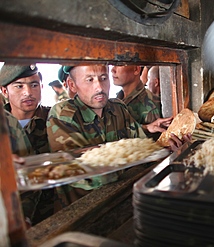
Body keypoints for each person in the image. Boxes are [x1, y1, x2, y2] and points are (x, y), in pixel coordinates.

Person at [47, 65, 188, 208]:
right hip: (83, 208)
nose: (99, 87)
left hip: (122, 199)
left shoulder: (117, 108)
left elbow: (141, 143)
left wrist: (167, 148)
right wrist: (135, 156)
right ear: (72, 84)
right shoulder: (63, 115)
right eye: (89, 80)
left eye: (103, 78)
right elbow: (84, 172)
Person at [0, 64, 54, 226]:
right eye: (19, 86)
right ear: (4, 91)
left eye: (34, 85)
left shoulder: (57, 119)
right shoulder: (3, 126)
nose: (28, 92)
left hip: (54, 211)